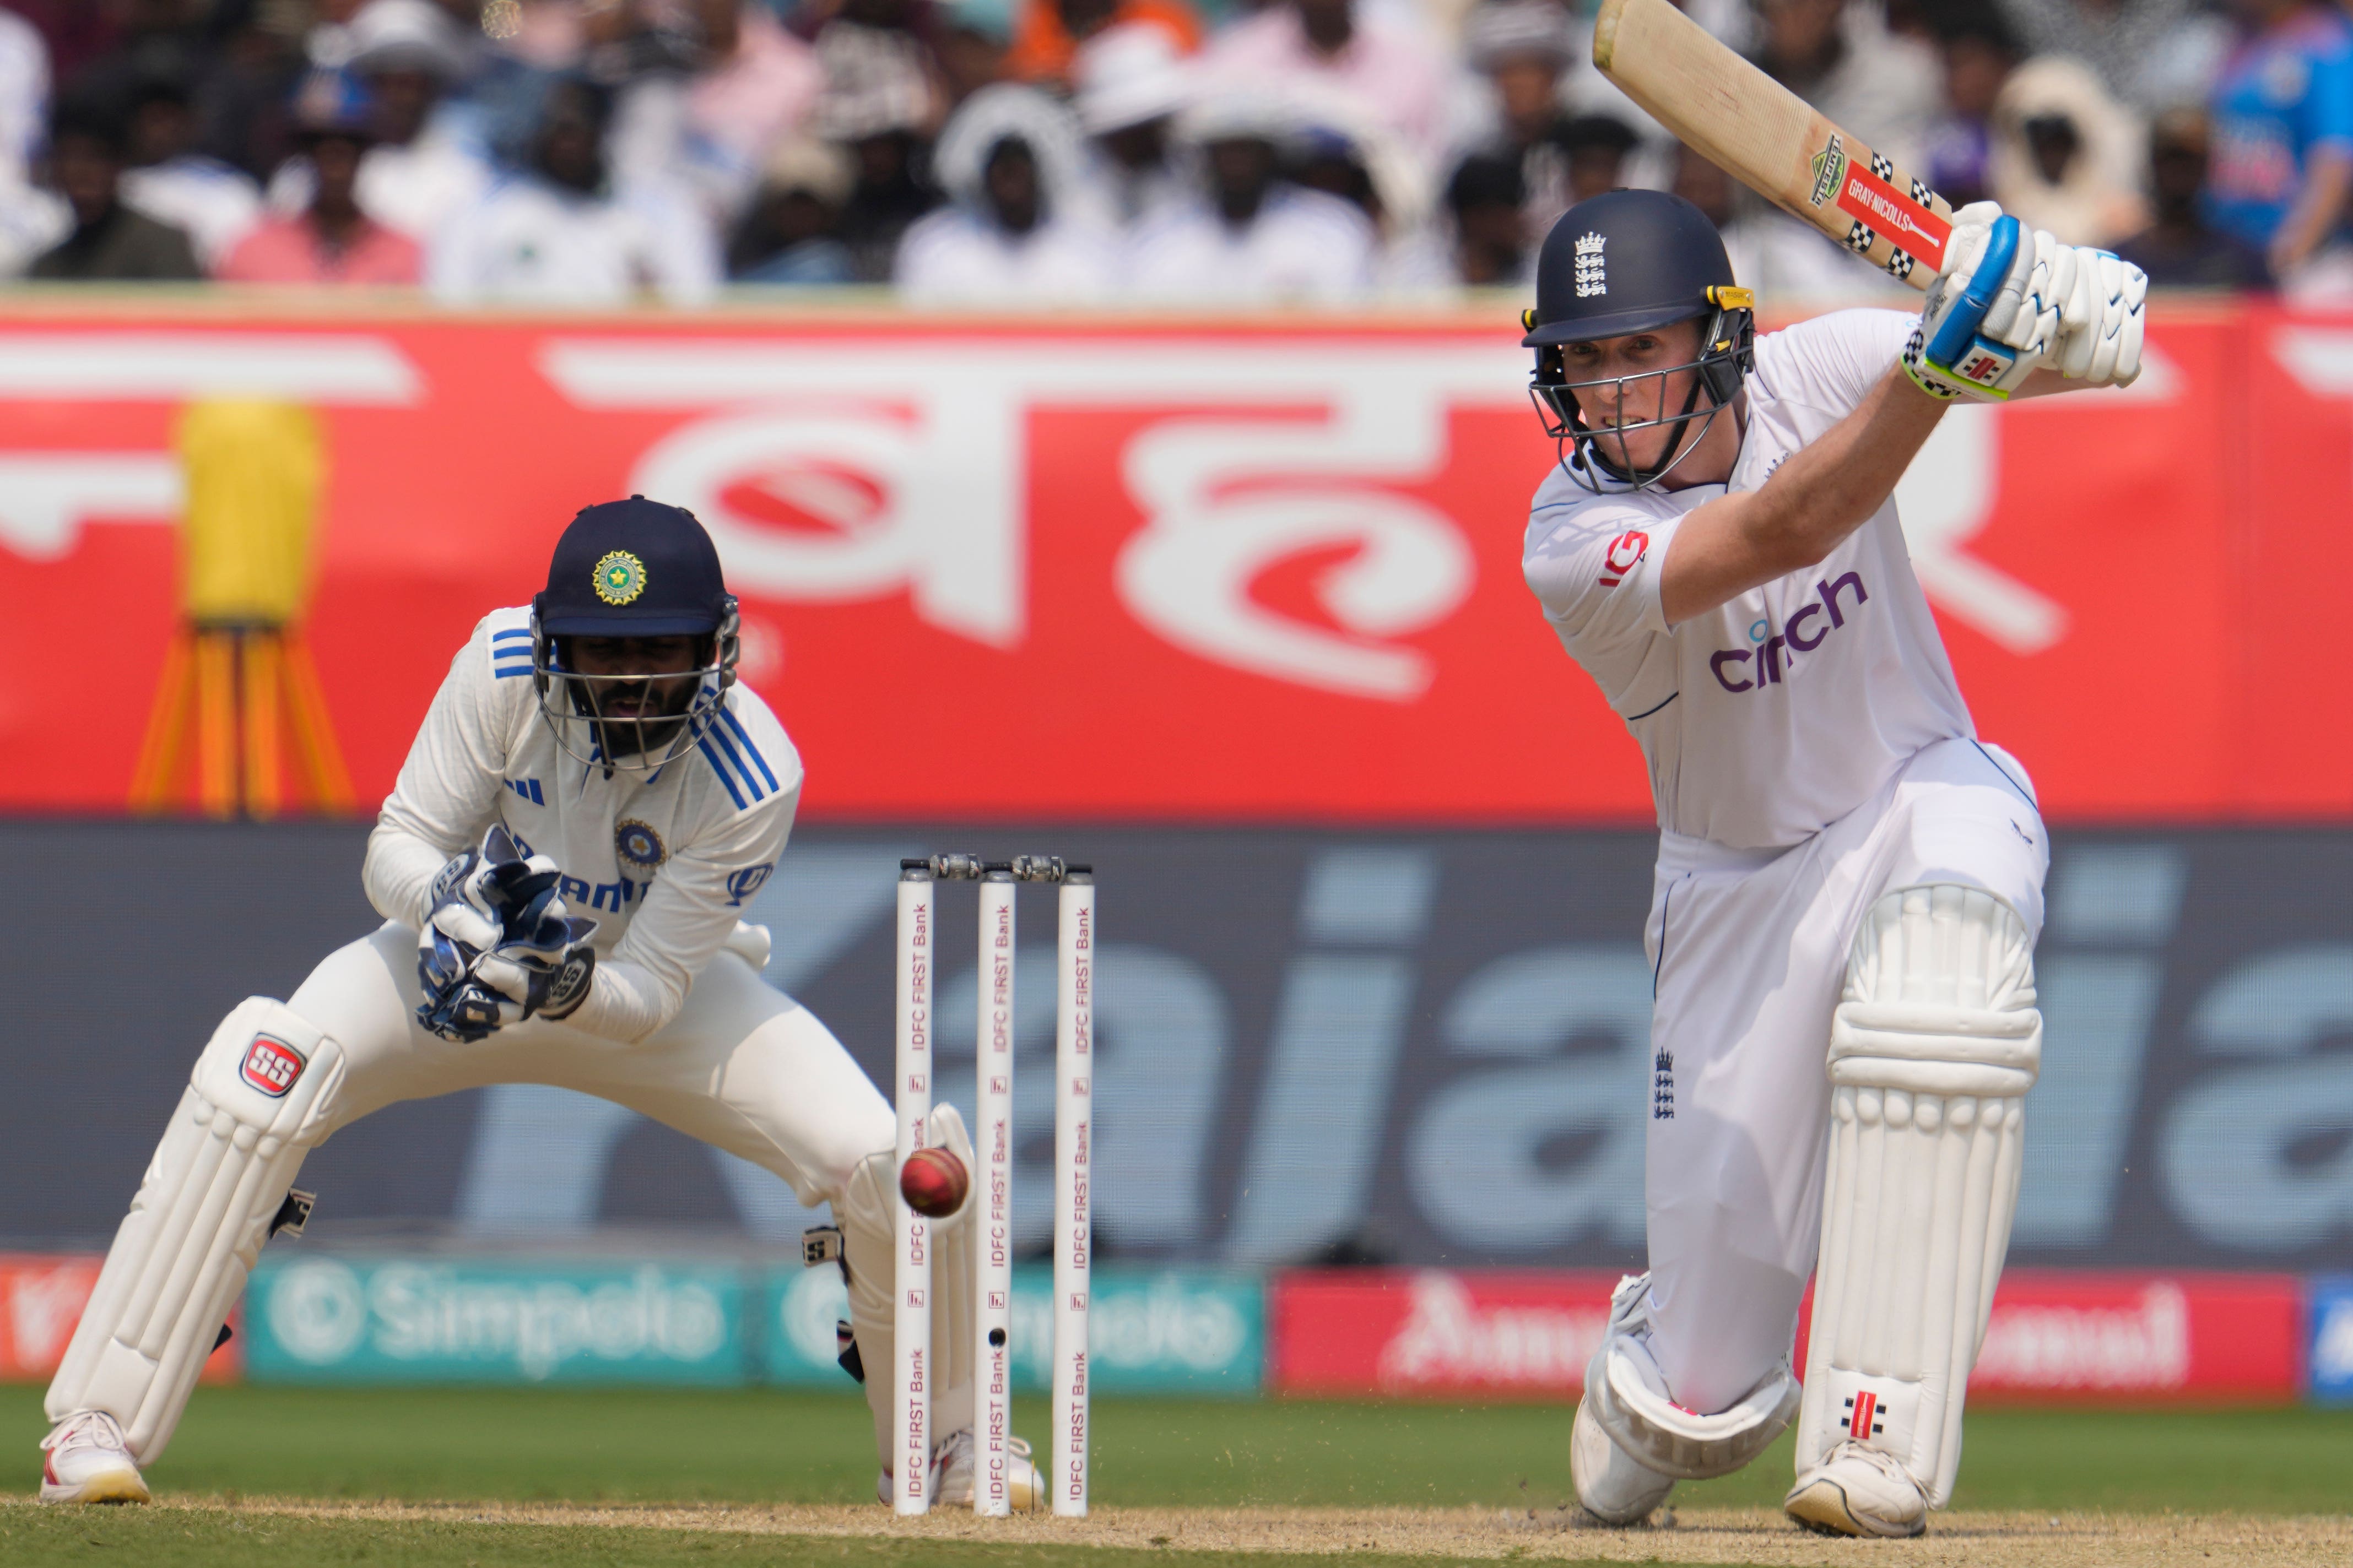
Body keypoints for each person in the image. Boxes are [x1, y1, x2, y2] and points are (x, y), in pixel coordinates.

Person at [35, 497, 1036, 1512]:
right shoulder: (503, 664)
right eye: (603, 649)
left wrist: (560, 980)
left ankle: (948, 1444)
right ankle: (97, 1422)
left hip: (635, 987)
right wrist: (453, 911)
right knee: (265, 1072)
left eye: (662, 651)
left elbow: (647, 994)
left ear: (718, 647)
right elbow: (399, 845)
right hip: (458, 957)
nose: (633, 682)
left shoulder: (752, 773)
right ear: (555, 642)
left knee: (884, 1158)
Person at [1516, 188, 2145, 1536]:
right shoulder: (1567, 539)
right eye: (1585, 361)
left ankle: (1879, 1435)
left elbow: (2047, 357)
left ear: (1723, 339)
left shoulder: (1813, 368)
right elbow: (1788, 527)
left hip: (1921, 788)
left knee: (1947, 983)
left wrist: (2053, 295)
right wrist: (1949, 350)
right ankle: (1656, 1352)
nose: (1614, 390)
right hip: (1735, 883)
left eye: (1642, 349)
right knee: (1698, 1402)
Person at [426, 75, 720, 306]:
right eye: (559, 130)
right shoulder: (480, 213)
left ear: (603, 131)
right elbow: (449, 310)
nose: (569, 143)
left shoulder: (663, 211)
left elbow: (698, 306)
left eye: (580, 129)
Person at [1121, 93, 1376, 302]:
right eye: (1224, 151)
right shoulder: (1160, 242)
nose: (1237, 164)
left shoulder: (1333, 234)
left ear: (1273, 155)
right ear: (1204, 158)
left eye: (1248, 149)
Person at [894, 84, 1118, 303]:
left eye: (1019, 163)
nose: (1010, 177)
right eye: (1000, 165)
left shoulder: (1087, 252)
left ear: (1040, 170)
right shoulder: (936, 251)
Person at [218, 70, 425, 285]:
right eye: (318, 142)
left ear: (366, 150)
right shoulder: (254, 252)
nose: (334, 156)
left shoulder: (405, 253)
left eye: (349, 142)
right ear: (302, 151)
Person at [2204, 0, 2353, 291]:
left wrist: (2294, 247)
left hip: (2300, 263)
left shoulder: (2326, 45)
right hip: (2228, 249)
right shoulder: (2237, 41)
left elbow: (2335, 157)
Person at [29, 94, 203, 282]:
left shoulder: (164, 246)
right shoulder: (48, 266)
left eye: (95, 157)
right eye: (70, 158)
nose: (82, 172)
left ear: (120, 164)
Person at [2115, 106, 2270, 287]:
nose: (2179, 173)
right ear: (2152, 164)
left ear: (2207, 167)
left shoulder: (2245, 264)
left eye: (2189, 162)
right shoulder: (2118, 266)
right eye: (2170, 160)